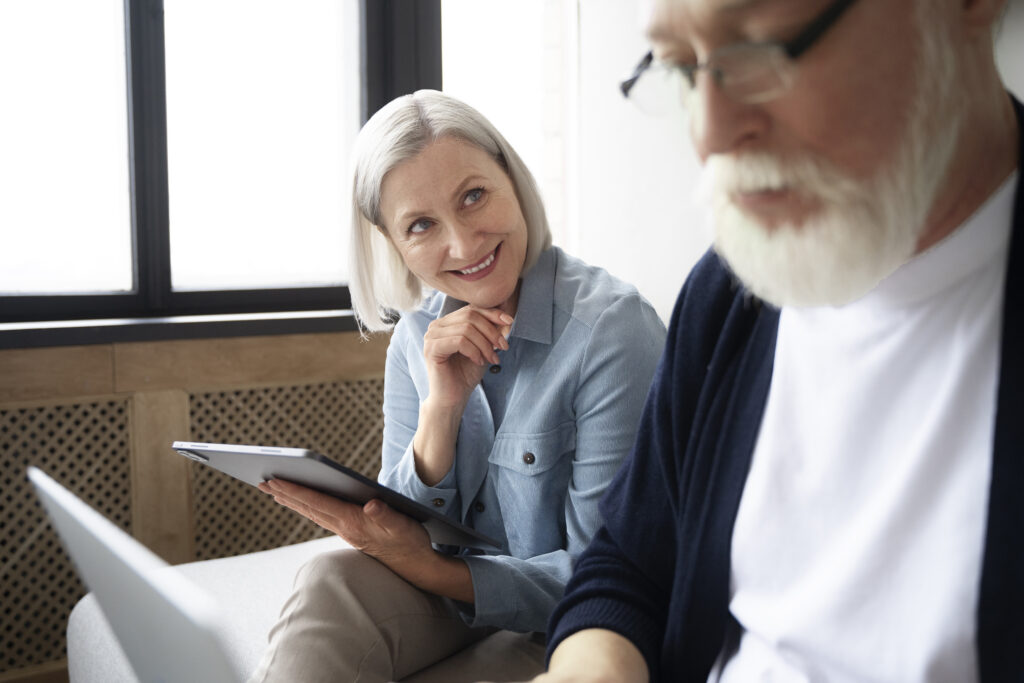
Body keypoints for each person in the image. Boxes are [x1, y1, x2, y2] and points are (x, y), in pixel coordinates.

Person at [540, 0, 1022, 681]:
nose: (708, 132)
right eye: (680, 66)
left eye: (767, 48)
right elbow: (632, 559)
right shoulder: (731, 292)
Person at [246, 90, 666, 683]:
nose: (465, 246)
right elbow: (394, 529)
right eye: (421, 225)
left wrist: (435, 571)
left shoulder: (612, 330)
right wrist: (441, 411)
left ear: (512, 182)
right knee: (328, 580)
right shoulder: (415, 336)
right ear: (393, 243)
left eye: (473, 196)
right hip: (449, 600)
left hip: (569, 627)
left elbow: (608, 576)